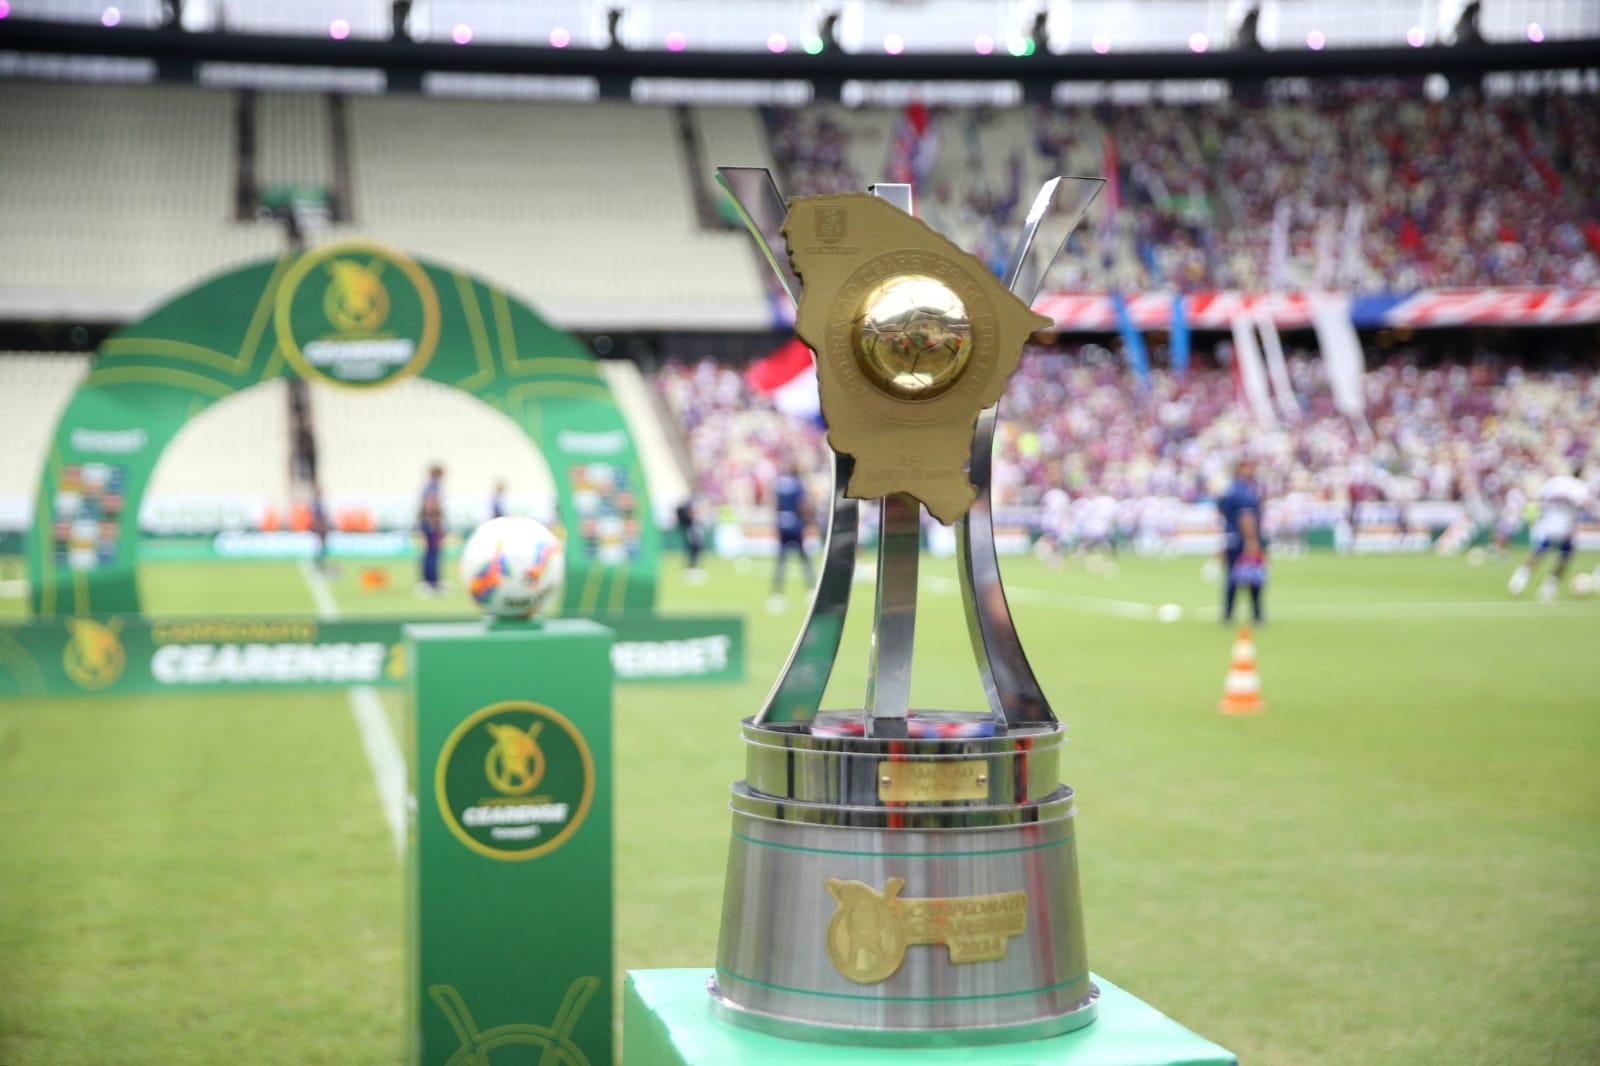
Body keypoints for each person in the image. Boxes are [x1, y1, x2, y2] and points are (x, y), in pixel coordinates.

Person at [1508, 465, 1590, 601]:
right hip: (1565, 528)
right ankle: (1549, 586)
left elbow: (1537, 498)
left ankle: (1518, 580)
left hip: (1548, 524)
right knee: (1563, 559)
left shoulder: (1555, 482)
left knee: (1538, 553)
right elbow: (1585, 505)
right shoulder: (1580, 487)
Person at [1217, 458, 1266, 624]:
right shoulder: (1243, 491)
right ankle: (1256, 613)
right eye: (1249, 467)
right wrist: (1251, 540)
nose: (1253, 471)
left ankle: (1228, 613)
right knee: (1252, 576)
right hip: (1243, 539)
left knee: (1232, 575)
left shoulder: (1229, 489)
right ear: (1240, 469)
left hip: (1231, 536)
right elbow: (1246, 516)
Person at [769, 464, 814, 609]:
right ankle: (811, 590)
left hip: (782, 522)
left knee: (781, 560)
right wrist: (807, 520)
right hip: (795, 523)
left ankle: (776, 593)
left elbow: (775, 504)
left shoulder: (779, 484)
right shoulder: (797, 484)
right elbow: (802, 504)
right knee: (804, 559)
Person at [417, 464, 445, 596]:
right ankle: (432, 582)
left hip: (426, 522)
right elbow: (430, 503)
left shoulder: (427, 485)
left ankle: (427, 581)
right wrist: (435, 521)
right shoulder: (434, 485)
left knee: (429, 552)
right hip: (431, 523)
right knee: (432, 553)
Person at [675, 498, 706, 581]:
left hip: (693, 534)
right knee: (692, 550)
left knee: (695, 550)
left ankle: (693, 567)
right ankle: (691, 568)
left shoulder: (690, 521)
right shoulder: (687, 521)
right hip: (692, 535)